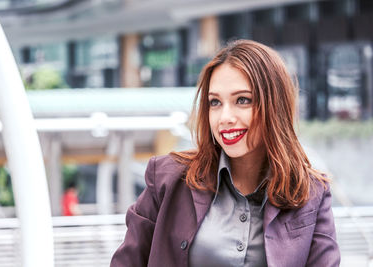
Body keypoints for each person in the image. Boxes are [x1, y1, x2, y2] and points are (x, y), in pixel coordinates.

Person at [110, 40, 340, 267]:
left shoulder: (311, 192)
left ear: (274, 106)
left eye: (242, 100)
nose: (225, 118)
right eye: (215, 102)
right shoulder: (166, 178)